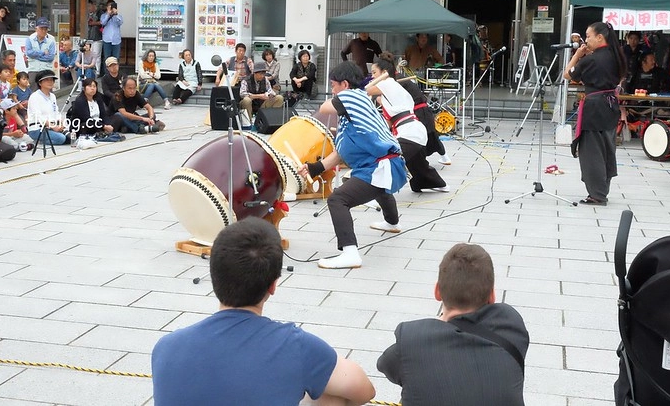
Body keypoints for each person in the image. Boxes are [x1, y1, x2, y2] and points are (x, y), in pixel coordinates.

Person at [151, 217, 376, 406]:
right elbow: (365, 391)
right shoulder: (296, 346)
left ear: (214, 276)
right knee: (331, 395)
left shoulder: (166, 346)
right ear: (273, 285)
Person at [377, 243, 529, 406]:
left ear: (437, 291)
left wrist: (436, 325)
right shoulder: (512, 325)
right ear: (492, 295)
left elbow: (384, 364)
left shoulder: (413, 341)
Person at [299, 61, 406, 269]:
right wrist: (315, 168)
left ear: (345, 84)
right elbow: (340, 153)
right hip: (386, 165)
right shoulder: (356, 108)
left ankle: (350, 253)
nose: (331, 89)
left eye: (333, 85)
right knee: (378, 188)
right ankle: (393, 222)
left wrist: (343, 95)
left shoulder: (352, 97)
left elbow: (323, 108)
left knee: (338, 199)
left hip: (380, 166)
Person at [563, 21, 627, 205]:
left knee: (592, 151)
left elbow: (567, 74)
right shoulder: (616, 56)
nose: (586, 40)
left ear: (600, 37)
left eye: (589, 36)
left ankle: (597, 194)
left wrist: (577, 55)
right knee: (607, 147)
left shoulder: (591, 59)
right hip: (611, 104)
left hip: (595, 105)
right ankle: (602, 190)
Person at [367, 57, 449, 193]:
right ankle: (437, 184)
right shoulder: (390, 94)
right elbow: (388, 122)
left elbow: (366, 91)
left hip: (411, 132)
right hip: (411, 131)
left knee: (387, 158)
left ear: (384, 73)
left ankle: (375, 191)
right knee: (417, 165)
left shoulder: (388, 83)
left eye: (374, 72)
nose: (372, 76)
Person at [27, 69, 69, 145]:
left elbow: (56, 112)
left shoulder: (52, 96)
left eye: (52, 80)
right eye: (46, 80)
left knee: (71, 135)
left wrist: (61, 123)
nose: (50, 82)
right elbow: (38, 116)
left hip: (51, 127)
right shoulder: (34, 96)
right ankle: (38, 141)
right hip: (37, 128)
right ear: (40, 83)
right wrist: (53, 126)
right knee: (61, 138)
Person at [100, 0, 123, 74]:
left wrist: (115, 14)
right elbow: (103, 22)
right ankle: (107, 74)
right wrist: (108, 14)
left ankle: (116, 74)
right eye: (109, 6)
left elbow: (120, 22)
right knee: (107, 58)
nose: (111, 8)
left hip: (116, 40)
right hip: (107, 39)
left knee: (116, 58)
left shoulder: (119, 16)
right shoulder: (103, 15)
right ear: (107, 7)